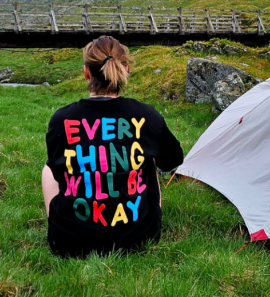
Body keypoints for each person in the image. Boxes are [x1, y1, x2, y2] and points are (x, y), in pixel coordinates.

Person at [41, 36, 184, 257]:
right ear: (125, 69)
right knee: (150, 160)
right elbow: (172, 160)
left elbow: (59, 171)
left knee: (48, 169)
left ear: (86, 72)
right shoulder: (148, 115)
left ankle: (65, 224)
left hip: (70, 243)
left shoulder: (61, 119)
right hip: (139, 239)